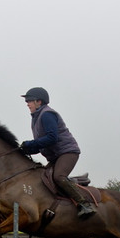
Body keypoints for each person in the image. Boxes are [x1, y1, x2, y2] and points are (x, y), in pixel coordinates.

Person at [20, 87, 96, 218]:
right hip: (56, 155)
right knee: (42, 179)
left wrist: (32, 144)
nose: (27, 103)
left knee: (58, 177)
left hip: (67, 152)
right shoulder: (36, 118)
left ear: (39, 101)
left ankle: (84, 204)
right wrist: (27, 149)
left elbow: (52, 138)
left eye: (29, 101)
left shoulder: (47, 114)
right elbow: (42, 143)